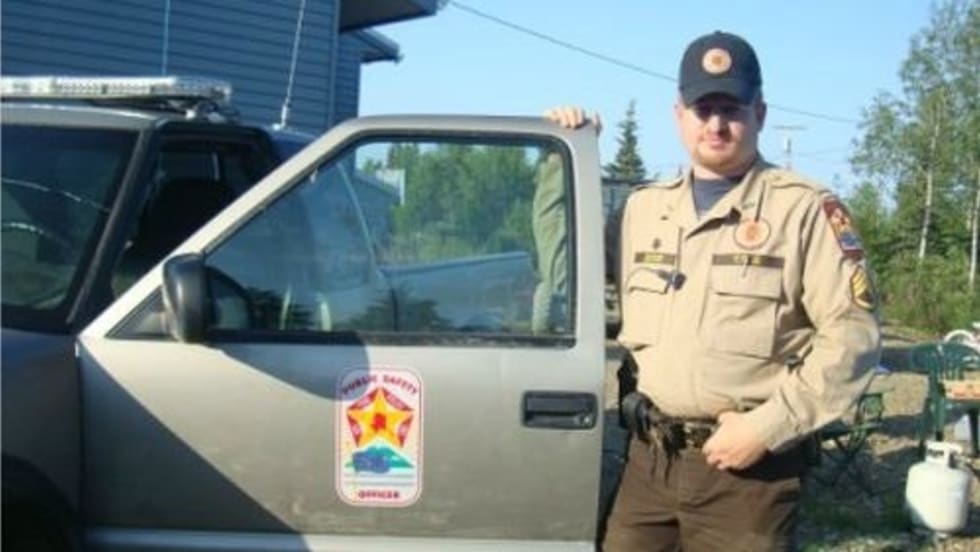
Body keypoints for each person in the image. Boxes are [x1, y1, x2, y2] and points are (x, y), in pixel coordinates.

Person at [547, 30, 881, 551]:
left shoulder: (803, 210)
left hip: (749, 479)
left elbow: (853, 339)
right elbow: (563, 274)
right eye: (704, 110)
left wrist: (767, 427)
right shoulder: (642, 210)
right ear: (679, 115)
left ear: (759, 114)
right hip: (649, 461)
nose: (717, 124)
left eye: (732, 109)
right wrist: (560, 160)